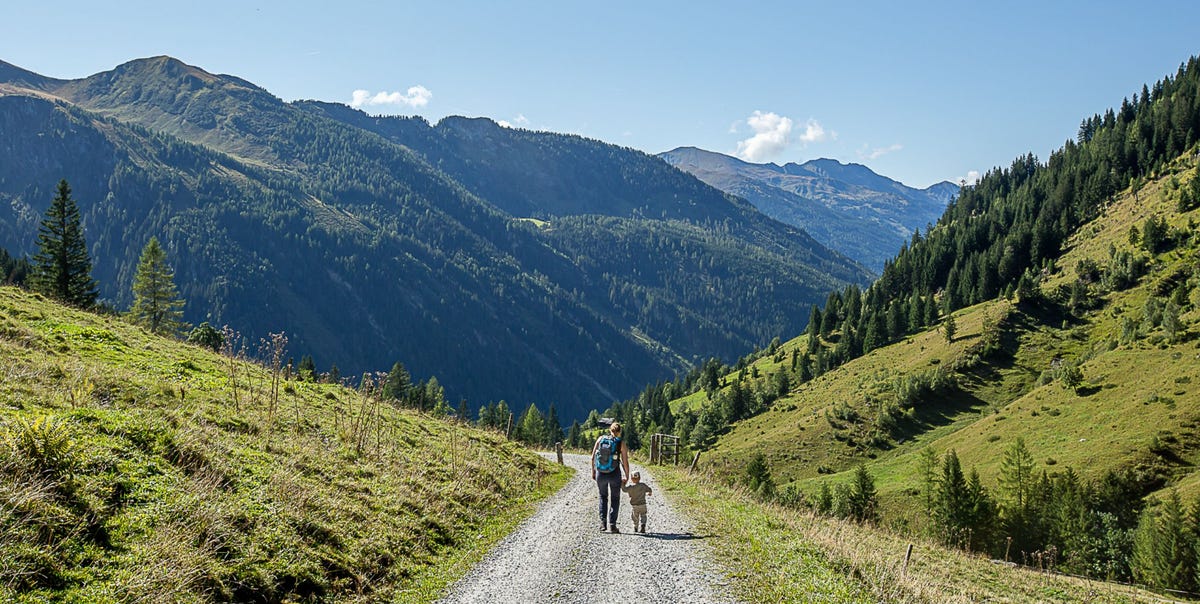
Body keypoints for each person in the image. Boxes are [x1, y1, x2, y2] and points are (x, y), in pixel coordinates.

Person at [592, 421, 631, 533]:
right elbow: (625, 461)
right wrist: (627, 476)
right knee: (615, 498)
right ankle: (613, 525)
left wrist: (593, 472)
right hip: (614, 473)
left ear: (610, 430)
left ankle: (603, 524)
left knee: (603, 496)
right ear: (619, 432)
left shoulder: (600, 439)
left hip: (601, 473)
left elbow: (592, 457)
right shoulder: (620, 443)